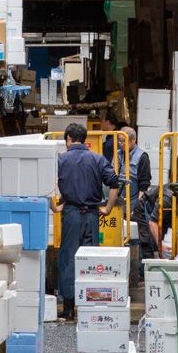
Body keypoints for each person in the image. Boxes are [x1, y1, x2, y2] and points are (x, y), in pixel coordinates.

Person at [53, 122, 120, 320]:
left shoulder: (61, 159)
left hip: (71, 214)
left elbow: (46, 183)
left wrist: (54, 207)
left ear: (68, 139)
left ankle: (68, 308)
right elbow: (115, 183)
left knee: (68, 259)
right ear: (84, 139)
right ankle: (88, 305)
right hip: (92, 215)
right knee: (91, 260)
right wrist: (107, 208)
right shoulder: (97, 159)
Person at [120, 126, 159, 275]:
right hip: (120, 204)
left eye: (123, 141)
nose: (120, 144)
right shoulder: (118, 155)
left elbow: (144, 184)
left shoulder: (142, 156)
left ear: (133, 140)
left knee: (142, 237)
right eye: (119, 141)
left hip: (136, 204)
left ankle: (144, 272)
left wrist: (136, 205)